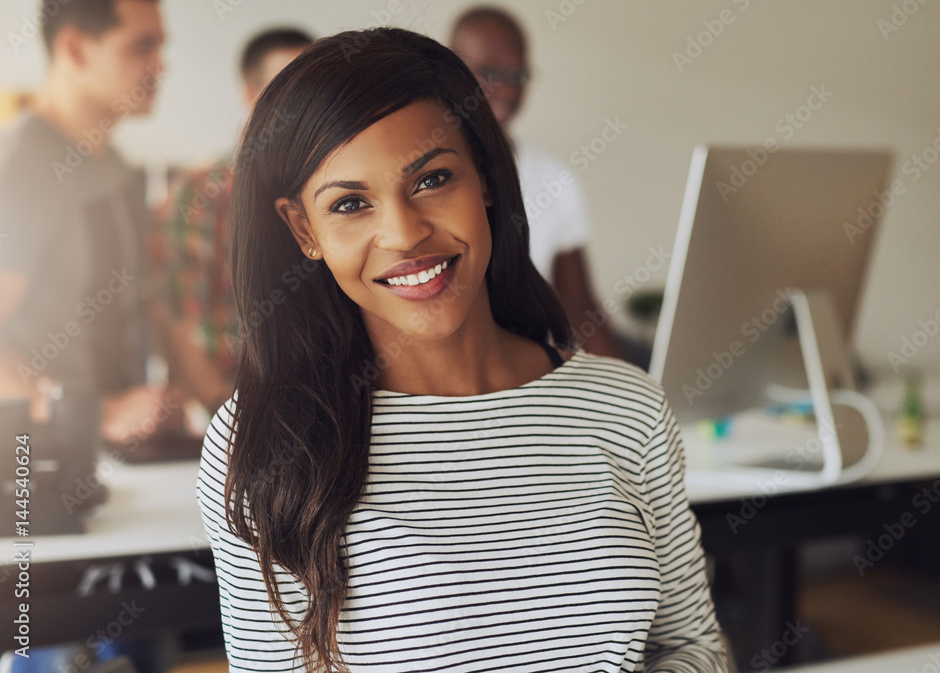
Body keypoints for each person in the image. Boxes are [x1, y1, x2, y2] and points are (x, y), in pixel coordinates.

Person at [197, 28, 730, 672]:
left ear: (485, 178)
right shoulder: (261, 441)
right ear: (303, 229)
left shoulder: (627, 409)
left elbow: (693, 648)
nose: (403, 233)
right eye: (351, 203)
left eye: (432, 179)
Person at [0, 0, 179, 445]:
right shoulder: (17, 169)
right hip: (33, 463)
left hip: (114, 460)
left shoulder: (115, 167)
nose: (161, 67)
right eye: (142, 47)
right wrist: (98, 415)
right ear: (76, 49)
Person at [150, 28, 312, 420]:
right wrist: (232, 420)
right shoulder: (200, 193)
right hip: (227, 421)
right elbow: (178, 320)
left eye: (308, 90)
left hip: (316, 414)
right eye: (282, 89)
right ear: (250, 93)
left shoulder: (326, 188)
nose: (299, 105)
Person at [449, 6, 626, 360]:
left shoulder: (557, 178)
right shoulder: (423, 173)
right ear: (450, 69)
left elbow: (577, 303)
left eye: (518, 76)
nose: (509, 92)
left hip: (534, 361)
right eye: (491, 72)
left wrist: (627, 390)